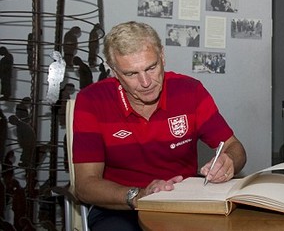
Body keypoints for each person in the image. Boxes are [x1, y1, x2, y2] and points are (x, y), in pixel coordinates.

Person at [72, 21, 247, 230]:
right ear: (114, 72)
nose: (146, 82)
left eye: (151, 67)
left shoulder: (190, 91)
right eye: (131, 74)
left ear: (162, 57)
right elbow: (85, 185)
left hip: (183, 202)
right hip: (121, 205)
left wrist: (228, 162)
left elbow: (234, 147)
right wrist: (140, 195)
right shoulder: (92, 101)